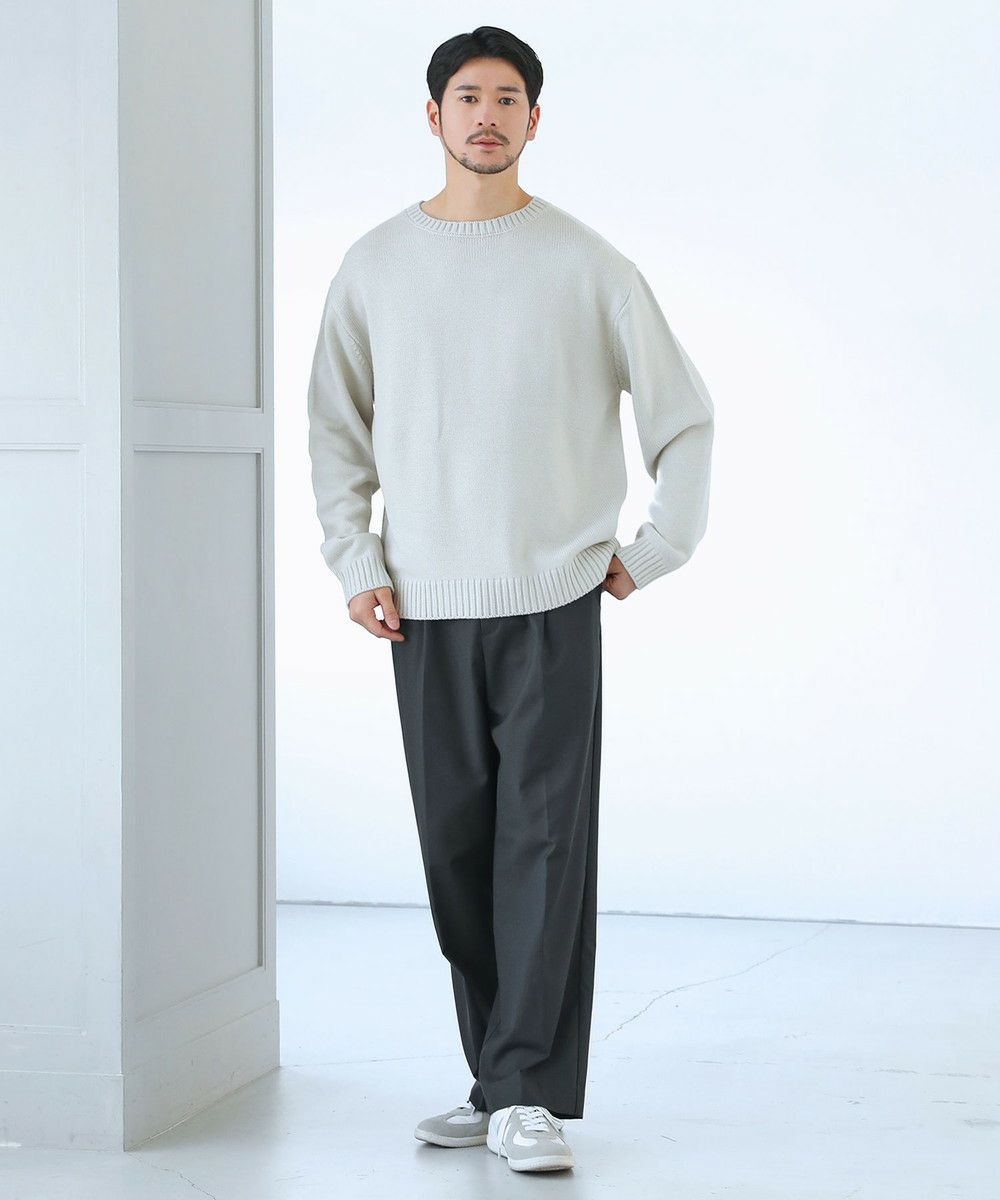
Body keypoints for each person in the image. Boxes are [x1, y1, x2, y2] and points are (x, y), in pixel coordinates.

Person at [306, 25, 715, 1174]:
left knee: (541, 846)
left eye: (506, 98)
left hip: (550, 599)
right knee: (455, 852)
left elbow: (683, 415)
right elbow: (335, 428)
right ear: (432, 115)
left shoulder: (586, 264)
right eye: (466, 96)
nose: (485, 115)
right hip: (422, 603)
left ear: (535, 119)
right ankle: (497, 1080)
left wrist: (655, 547)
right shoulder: (374, 265)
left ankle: (528, 1087)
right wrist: (356, 560)